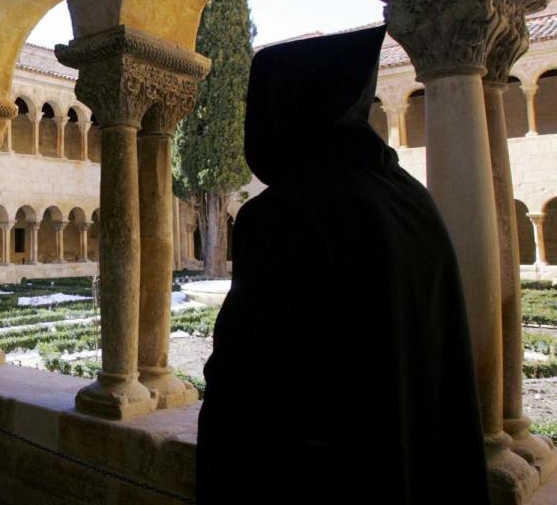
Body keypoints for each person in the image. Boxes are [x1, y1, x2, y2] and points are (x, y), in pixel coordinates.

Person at [195, 25, 490, 504]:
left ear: (290, 108)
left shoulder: (285, 212)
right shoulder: (411, 198)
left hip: (328, 477)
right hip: (413, 460)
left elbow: (248, 378)